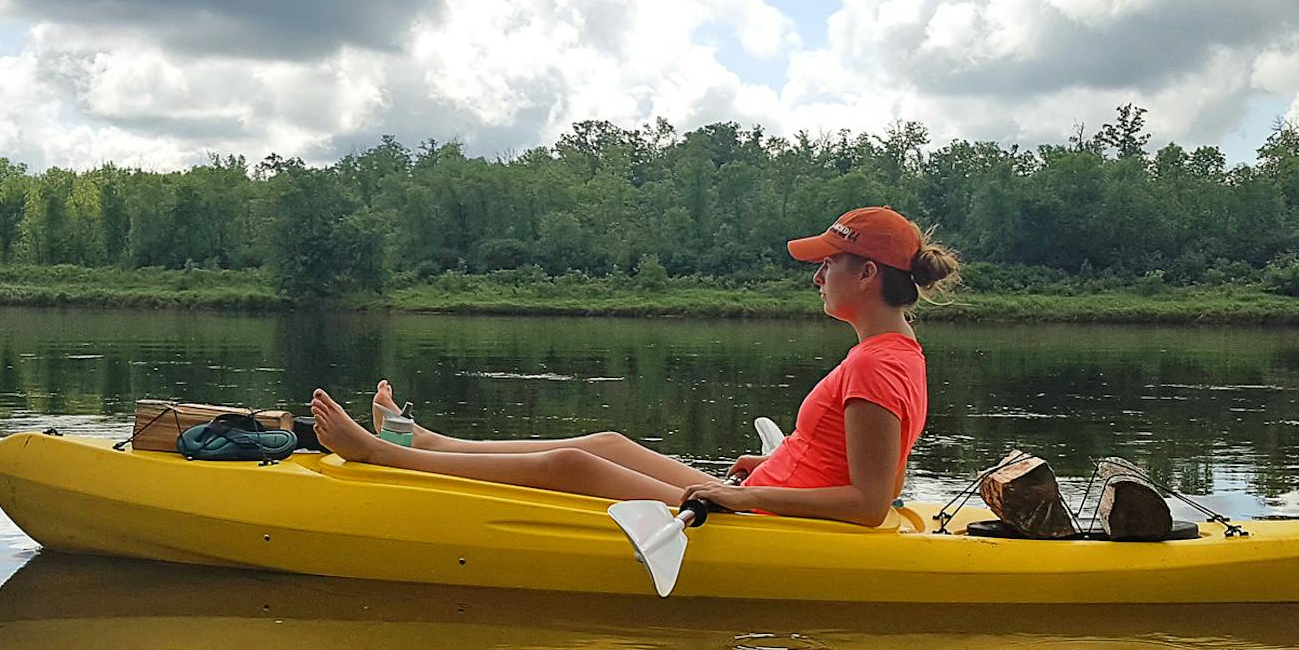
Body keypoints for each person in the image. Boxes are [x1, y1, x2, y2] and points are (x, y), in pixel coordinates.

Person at [307, 207, 960, 527]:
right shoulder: (892, 352)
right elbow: (850, 466)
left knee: (574, 467)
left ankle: (380, 455)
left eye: (828, 263)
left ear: (868, 273)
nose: (816, 274)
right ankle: (425, 441)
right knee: (607, 444)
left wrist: (745, 493)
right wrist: (769, 467)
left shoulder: (876, 367)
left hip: (759, 522)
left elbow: (871, 503)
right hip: (765, 498)